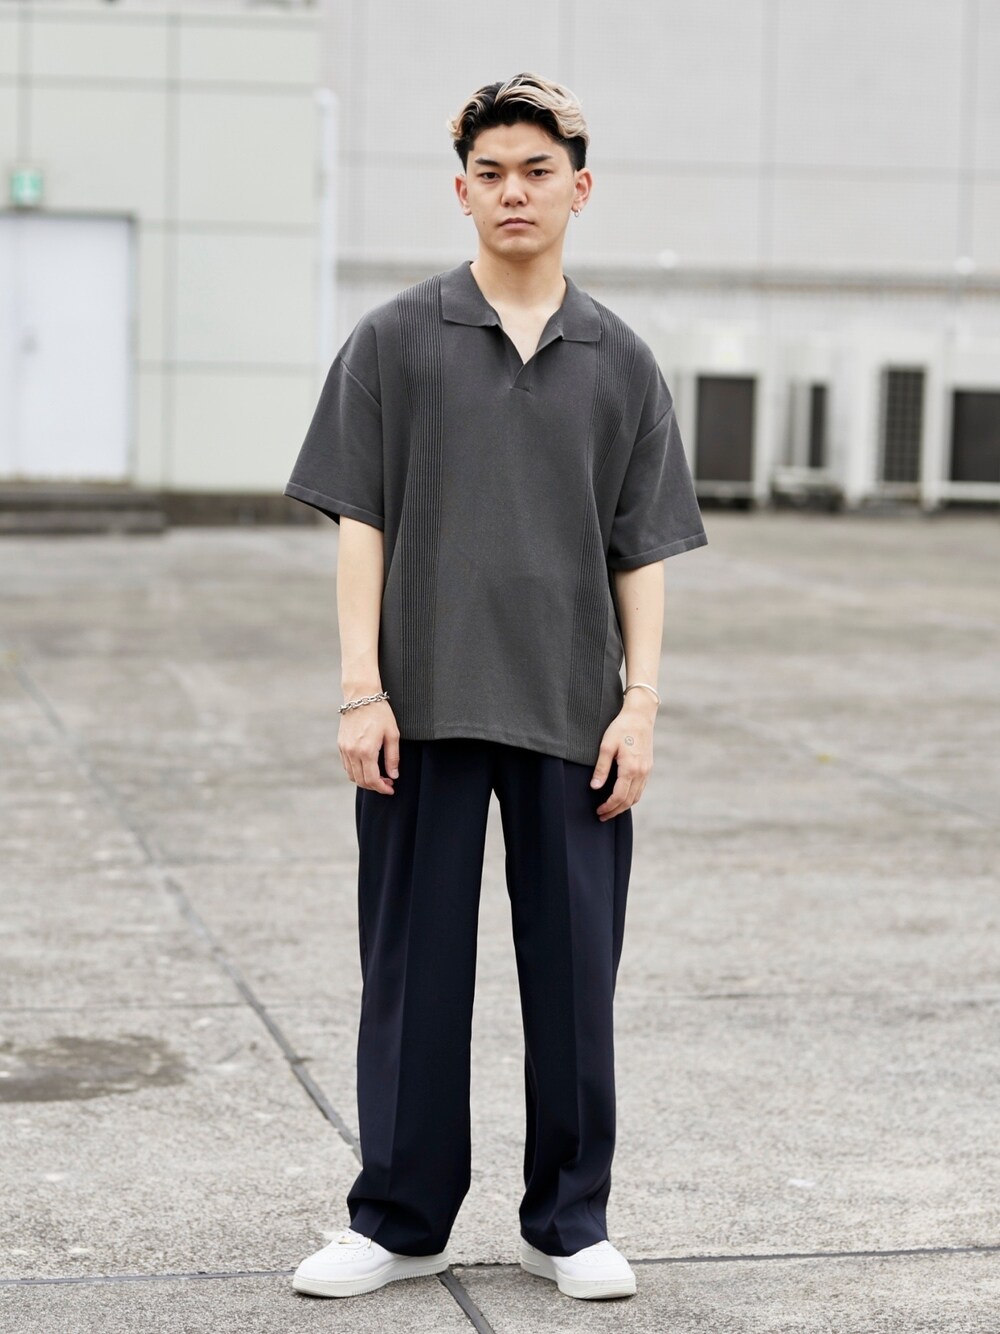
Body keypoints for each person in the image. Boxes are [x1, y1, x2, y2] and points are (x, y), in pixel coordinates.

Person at [283, 72, 708, 1302]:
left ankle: (567, 1221)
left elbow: (640, 548)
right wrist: (360, 689)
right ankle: (399, 1218)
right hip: (419, 708)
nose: (512, 191)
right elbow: (359, 520)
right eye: (490, 172)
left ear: (580, 188)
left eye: (536, 171)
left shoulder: (621, 361)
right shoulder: (394, 341)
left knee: (574, 980)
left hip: (573, 712)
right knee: (411, 974)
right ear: (460, 190)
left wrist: (641, 702)